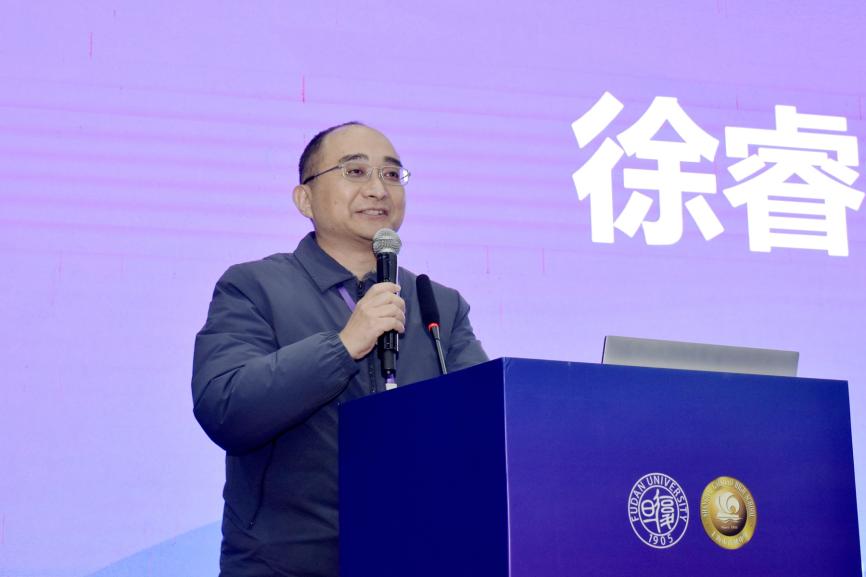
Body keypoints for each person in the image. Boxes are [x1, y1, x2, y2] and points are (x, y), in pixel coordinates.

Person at [191, 122, 488, 577]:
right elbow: (225, 406)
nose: (378, 190)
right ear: (304, 199)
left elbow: (483, 427)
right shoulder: (254, 287)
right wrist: (344, 346)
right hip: (286, 566)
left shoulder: (438, 304)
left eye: (391, 175)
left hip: (416, 558)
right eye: (355, 171)